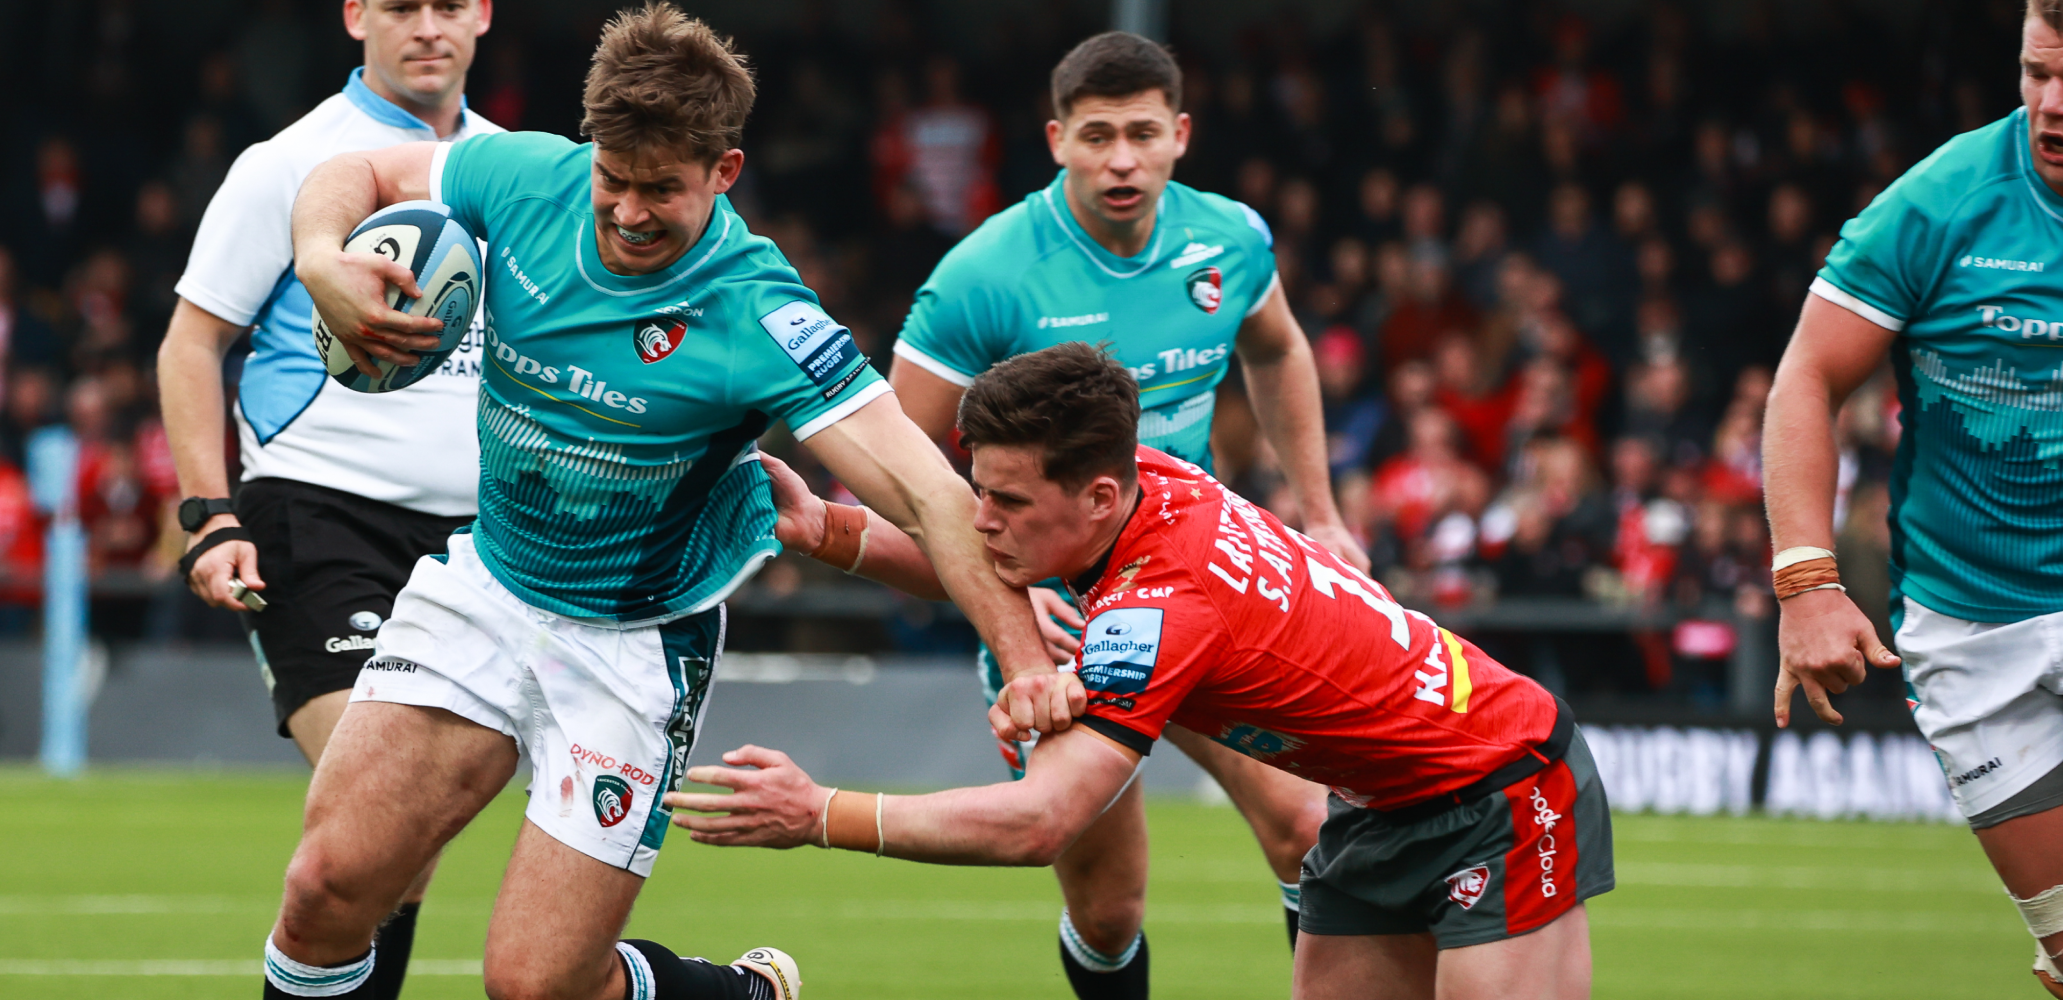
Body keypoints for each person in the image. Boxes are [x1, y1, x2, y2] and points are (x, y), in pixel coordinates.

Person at [264, 6, 1067, 999]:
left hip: (634, 639)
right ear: (588, 149)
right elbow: (368, 171)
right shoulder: (525, 179)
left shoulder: (760, 315)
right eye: (614, 180)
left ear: (724, 174)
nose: (630, 212)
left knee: (535, 984)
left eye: (663, 190)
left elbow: (928, 493)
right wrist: (319, 257)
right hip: (490, 582)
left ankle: (741, 995)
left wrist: (1027, 664)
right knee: (323, 889)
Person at [675, 342, 1612, 1000]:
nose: (981, 520)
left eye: (1004, 500)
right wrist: (828, 529)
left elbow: (1037, 823)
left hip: (1500, 783)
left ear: (1097, 496)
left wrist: (820, 813)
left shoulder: (1161, 605)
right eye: (979, 494)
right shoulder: (1142, 483)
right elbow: (987, 556)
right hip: (1377, 807)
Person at [884, 32, 1366, 998]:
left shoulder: (1228, 239)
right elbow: (897, 464)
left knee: (1310, 829)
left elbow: (1276, 351)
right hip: (1064, 616)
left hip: (1203, 586)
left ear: (1179, 135)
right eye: (1097, 135)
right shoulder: (985, 274)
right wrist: (1011, 614)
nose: (1121, 159)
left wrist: (1321, 513)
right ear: (1056, 138)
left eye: (1142, 134)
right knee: (1109, 908)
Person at [155, 3, 500, 995]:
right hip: (317, 515)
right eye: (400, 6)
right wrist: (209, 518)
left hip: (489, 544)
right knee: (381, 808)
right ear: (356, 16)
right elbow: (192, 342)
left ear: (482, 13)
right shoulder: (288, 162)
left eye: (448, 4)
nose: (426, 26)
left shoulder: (517, 170)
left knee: (398, 837)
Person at [1763, 4, 2063, 996]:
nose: (2052, 102)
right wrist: (1806, 582)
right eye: (2037, 72)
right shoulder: (1943, 201)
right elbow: (1806, 382)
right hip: (1966, 626)